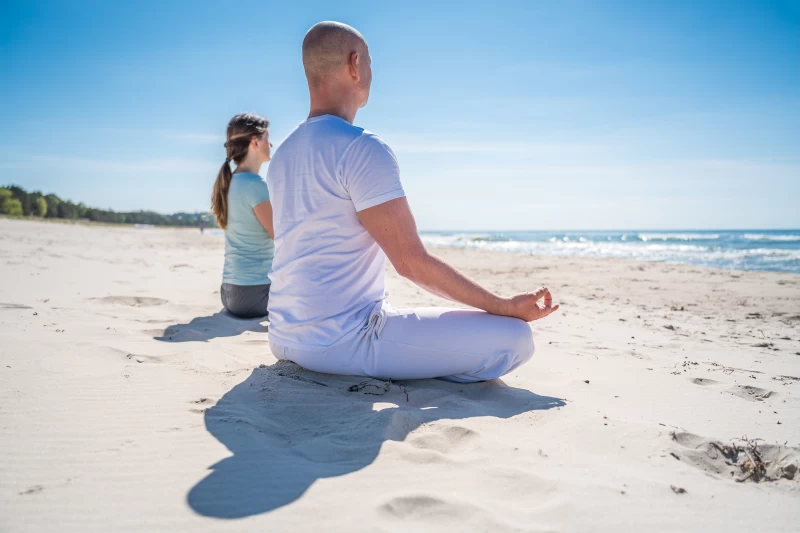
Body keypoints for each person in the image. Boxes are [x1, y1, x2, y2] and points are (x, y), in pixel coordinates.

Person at [266, 22, 559, 383]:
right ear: (355, 65)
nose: (372, 72)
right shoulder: (360, 147)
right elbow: (411, 263)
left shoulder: (282, 154)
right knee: (515, 338)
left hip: (283, 338)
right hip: (344, 341)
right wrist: (503, 306)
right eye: (371, 63)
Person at [211, 113, 275, 319]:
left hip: (229, 293)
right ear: (255, 142)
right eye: (267, 138)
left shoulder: (230, 183)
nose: (271, 144)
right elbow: (281, 236)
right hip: (254, 295)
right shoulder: (256, 186)